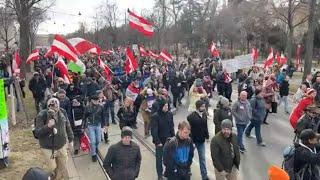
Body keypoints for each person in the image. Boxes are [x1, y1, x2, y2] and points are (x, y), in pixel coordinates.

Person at [34, 97, 74, 180]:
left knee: (62, 167)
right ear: (48, 106)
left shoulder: (62, 112)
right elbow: (37, 133)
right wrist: (47, 126)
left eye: (56, 105)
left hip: (61, 145)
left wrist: (71, 139)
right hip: (48, 148)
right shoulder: (42, 115)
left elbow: (67, 125)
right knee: (52, 168)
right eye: (51, 106)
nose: (54, 108)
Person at [151, 99, 175, 180]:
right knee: (159, 159)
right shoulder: (155, 116)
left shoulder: (170, 114)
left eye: (167, 106)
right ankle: (160, 175)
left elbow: (172, 127)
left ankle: (167, 173)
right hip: (160, 141)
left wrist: (174, 137)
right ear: (161, 107)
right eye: (165, 106)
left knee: (170, 158)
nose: (166, 107)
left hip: (169, 140)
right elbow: (154, 130)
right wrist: (157, 142)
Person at [187, 100, 209, 180]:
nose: (204, 108)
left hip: (201, 140)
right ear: (198, 107)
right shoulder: (192, 116)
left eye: (204, 106)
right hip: (193, 141)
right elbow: (189, 128)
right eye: (202, 106)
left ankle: (204, 176)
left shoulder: (204, 115)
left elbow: (205, 126)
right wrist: (191, 140)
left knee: (202, 158)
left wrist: (207, 136)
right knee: (189, 157)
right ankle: (187, 171)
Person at [83, 94, 108, 162]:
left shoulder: (101, 107)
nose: (97, 101)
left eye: (97, 100)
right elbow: (84, 117)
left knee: (98, 140)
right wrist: (83, 127)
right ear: (91, 100)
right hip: (90, 125)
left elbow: (103, 116)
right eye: (95, 100)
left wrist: (105, 125)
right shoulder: (87, 107)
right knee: (93, 141)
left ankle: (95, 147)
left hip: (98, 125)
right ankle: (93, 154)